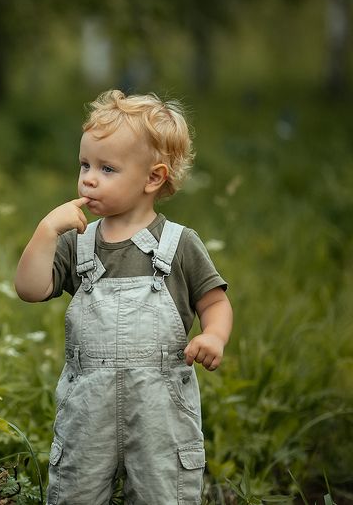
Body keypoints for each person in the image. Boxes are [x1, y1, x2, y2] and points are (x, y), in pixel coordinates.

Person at [14, 89, 233, 504]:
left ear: (153, 178)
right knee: (76, 492)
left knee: (162, 492)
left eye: (107, 168)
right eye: (85, 165)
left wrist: (214, 336)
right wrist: (46, 231)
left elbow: (214, 302)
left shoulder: (179, 245)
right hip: (87, 415)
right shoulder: (78, 241)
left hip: (160, 416)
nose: (88, 178)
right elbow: (29, 289)